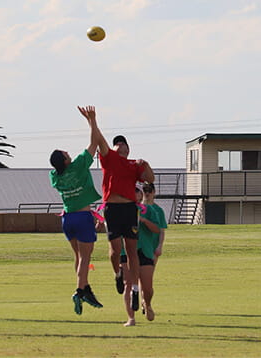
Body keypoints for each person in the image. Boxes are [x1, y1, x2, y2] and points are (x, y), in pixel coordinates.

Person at [90, 106, 155, 312]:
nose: (122, 146)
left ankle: (135, 289)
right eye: (118, 144)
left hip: (128, 210)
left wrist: (147, 165)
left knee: (132, 250)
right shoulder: (108, 159)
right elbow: (99, 140)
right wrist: (92, 121)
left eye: (124, 144)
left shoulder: (132, 165)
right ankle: (118, 274)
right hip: (112, 209)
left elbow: (150, 179)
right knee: (115, 251)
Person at [49, 105, 104, 315]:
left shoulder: (55, 176)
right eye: (65, 153)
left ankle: (85, 288)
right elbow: (95, 143)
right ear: (65, 160)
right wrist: (92, 120)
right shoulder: (79, 165)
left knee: (78, 258)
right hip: (82, 218)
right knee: (85, 258)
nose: (68, 152)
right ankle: (80, 291)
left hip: (67, 219)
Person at [120, 186, 161, 326]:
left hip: (144, 250)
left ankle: (147, 304)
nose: (135, 194)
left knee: (147, 287)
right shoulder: (121, 211)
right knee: (129, 285)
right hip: (127, 252)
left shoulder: (148, 210)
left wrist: (143, 221)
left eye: (138, 192)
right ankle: (131, 318)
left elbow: (157, 229)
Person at [138, 182, 167, 322]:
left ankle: (146, 302)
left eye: (150, 190)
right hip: (139, 246)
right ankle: (143, 302)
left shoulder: (158, 210)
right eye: (145, 190)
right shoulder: (138, 208)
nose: (147, 193)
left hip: (152, 248)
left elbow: (161, 231)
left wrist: (160, 246)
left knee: (148, 279)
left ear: (154, 192)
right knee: (138, 278)